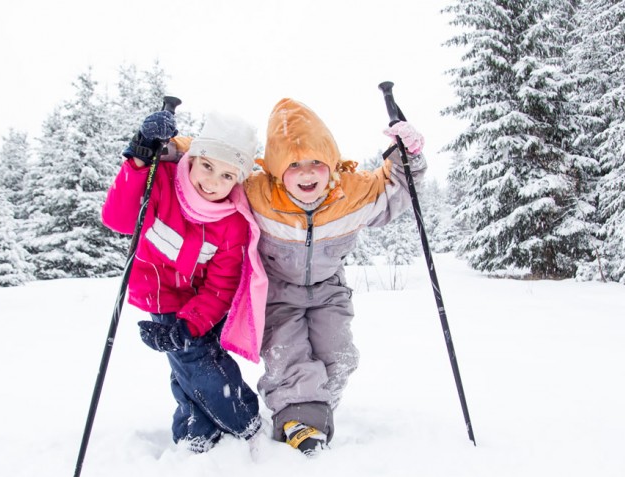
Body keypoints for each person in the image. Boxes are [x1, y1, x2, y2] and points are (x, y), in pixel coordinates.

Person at [244, 98, 427, 455]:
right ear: (277, 169)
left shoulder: (352, 192)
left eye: (316, 162)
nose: (308, 173)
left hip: (329, 289)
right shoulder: (258, 193)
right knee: (287, 353)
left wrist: (408, 155)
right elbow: (211, 168)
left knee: (339, 355)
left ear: (331, 161)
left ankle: (315, 407)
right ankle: (298, 417)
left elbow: (397, 190)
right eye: (294, 164)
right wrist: (171, 150)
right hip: (279, 290)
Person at [101, 109, 267, 453]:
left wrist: (188, 326)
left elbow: (220, 285)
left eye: (226, 175)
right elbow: (118, 219)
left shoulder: (232, 222)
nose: (212, 182)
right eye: (207, 166)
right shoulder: (159, 181)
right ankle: (202, 427)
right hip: (160, 297)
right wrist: (138, 159)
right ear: (192, 159)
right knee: (188, 364)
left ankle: (234, 421)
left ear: (237, 179)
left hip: (203, 307)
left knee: (193, 361)